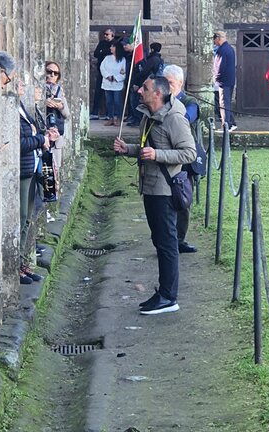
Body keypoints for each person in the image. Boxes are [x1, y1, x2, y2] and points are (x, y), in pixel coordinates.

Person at [113, 76, 196, 315]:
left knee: (167, 243)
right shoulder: (148, 114)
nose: (139, 90)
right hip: (150, 186)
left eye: (145, 88)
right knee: (159, 241)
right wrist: (128, 150)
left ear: (158, 93)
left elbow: (188, 153)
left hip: (165, 190)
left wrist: (158, 154)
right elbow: (146, 149)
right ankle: (163, 292)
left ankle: (169, 297)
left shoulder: (174, 118)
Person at [19, 77, 58, 284]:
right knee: (22, 216)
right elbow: (18, 142)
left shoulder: (24, 109)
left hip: (33, 168)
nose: (22, 87)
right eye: (18, 83)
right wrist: (40, 140)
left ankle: (24, 263)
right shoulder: (12, 108)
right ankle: (16, 265)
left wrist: (46, 136)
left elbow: (34, 134)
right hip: (23, 170)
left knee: (28, 218)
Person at [163, 64, 203, 254]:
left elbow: (186, 118)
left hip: (183, 159)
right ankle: (165, 239)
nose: (168, 86)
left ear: (180, 83)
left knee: (182, 200)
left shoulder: (189, 101)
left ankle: (179, 239)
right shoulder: (159, 101)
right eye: (165, 82)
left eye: (170, 83)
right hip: (163, 158)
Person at [127, 42, 164, 127]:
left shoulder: (153, 59)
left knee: (136, 101)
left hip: (146, 83)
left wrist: (136, 79)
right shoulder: (159, 59)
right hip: (153, 83)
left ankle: (137, 119)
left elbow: (145, 72)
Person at [43, 61, 70, 173]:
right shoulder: (38, 88)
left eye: (56, 73)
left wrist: (60, 106)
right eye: (49, 72)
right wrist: (45, 103)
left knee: (55, 170)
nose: (52, 75)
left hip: (56, 134)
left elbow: (67, 114)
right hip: (44, 133)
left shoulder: (59, 90)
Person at [212, 31, 237, 131]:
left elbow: (219, 66)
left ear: (218, 38)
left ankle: (226, 125)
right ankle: (232, 122)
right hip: (229, 79)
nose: (214, 42)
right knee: (227, 102)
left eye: (215, 40)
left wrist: (216, 77)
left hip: (224, 80)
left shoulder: (222, 50)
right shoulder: (230, 49)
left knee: (223, 103)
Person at [100, 40, 126, 127]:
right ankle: (110, 118)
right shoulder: (107, 58)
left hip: (116, 85)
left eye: (113, 46)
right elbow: (102, 68)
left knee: (117, 101)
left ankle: (118, 118)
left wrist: (115, 77)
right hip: (107, 83)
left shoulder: (122, 60)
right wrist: (108, 76)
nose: (111, 48)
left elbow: (123, 72)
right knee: (109, 102)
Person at [91, 28, 115, 120]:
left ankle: (110, 114)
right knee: (98, 92)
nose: (105, 36)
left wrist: (104, 52)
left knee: (110, 93)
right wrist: (106, 51)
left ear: (112, 35)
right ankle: (95, 112)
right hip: (102, 72)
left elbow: (116, 54)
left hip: (112, 73)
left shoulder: (115, 44)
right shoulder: (102, 43)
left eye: (107, 34)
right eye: (104, 34)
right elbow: (96, 54)